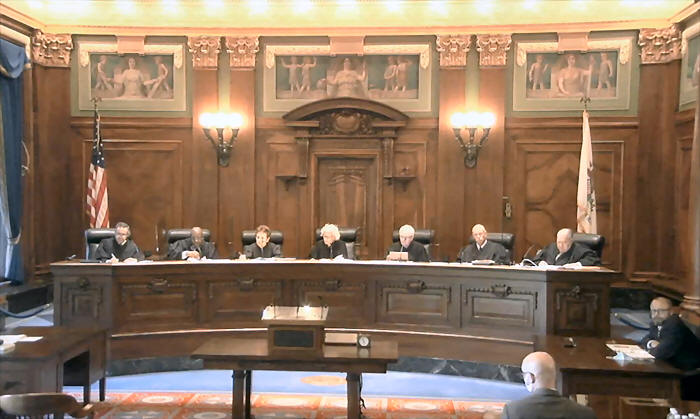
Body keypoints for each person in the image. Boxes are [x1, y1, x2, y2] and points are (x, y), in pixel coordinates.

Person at [501, 351, 596, 419]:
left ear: (530, 377)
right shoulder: (585, 414)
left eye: (524, 375)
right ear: (554, 375)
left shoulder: (512, 411)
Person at [640, 297, 700, 371]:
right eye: (654, 311)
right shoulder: (655, 322)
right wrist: (651, 343)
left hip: (687, 369)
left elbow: (661, 352)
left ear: (671, 311)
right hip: (670, 364)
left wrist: (650, 349)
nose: (656, 314)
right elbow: (644, 340)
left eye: (661, 311)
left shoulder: (674, 324)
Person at [531, 228, 600, 266]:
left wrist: (577, 264)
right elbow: (536, 259)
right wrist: (540, 263)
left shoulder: (580, 249)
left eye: (564, 242)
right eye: (559, 242)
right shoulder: (551, 247)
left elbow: (594, 260)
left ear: (571, 241)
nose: (561, 245)